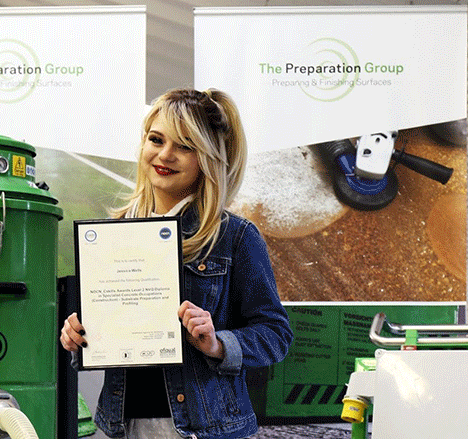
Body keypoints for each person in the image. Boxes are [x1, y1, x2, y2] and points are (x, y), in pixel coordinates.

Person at [59, 88, 293, 439]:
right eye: (156, 139)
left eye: (185, 146)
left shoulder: (235, 237)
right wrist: (79, 337)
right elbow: (101, 340)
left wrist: (218, 343)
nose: (165, 155)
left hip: (207, 430)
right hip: (123, 426)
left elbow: (276, 335)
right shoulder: (110, 236)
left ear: (208, 159)